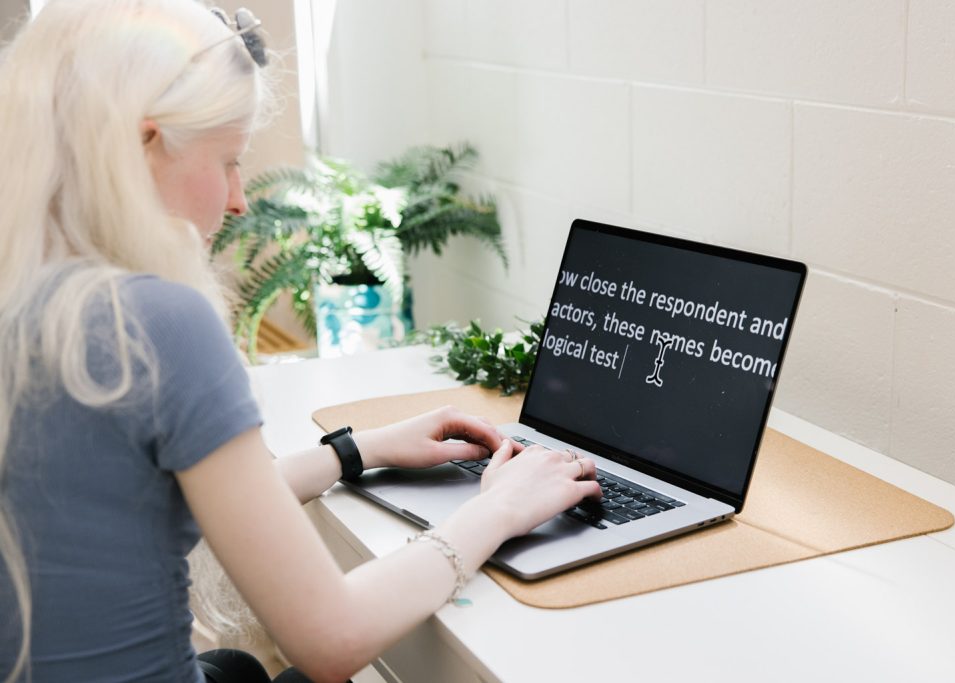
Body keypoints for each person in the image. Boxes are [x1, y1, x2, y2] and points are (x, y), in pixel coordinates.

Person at [0, 1, 601, 681]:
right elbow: (332, 637)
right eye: (228, 160)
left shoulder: (28, 291)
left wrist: (357, 448)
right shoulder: (153, 322)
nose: (238, 200)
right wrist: (498, 509)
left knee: (238, 668)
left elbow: (178, 496)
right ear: (143, 144)